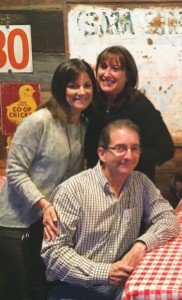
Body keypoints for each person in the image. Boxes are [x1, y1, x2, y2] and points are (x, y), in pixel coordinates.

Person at [41, 119, 180, 300]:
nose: (129, 156)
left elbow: (168, 218)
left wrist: (141, 245)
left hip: (122, 285)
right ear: (102, 154)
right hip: (77, 289)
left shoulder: (140, 182)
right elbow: (54, 254)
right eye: (120, 148)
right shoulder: (72, 190)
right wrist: (105, 272)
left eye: (134, 148)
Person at [0, 59, 97, 300]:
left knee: (43, 290)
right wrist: (43, 204)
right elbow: (14, 170)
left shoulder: (84, 124)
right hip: (17, 223)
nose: (81, 92)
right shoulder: (39, 121)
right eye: (74, 85)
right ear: (60, 87)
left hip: (49, 226)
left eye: (87, 85)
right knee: (19, 292)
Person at [84, 45, 174, 182]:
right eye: (103, 67)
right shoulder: (92, 102)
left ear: (128, 76)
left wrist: (127, 155)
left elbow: (166, 150)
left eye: (115, 69)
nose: (106, 74)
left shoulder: (141, 106)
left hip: (133, 187)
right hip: (97, 186)